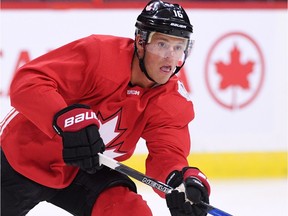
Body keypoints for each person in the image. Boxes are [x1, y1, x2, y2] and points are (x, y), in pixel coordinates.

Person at [0, 0, 211, 215]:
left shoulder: (171, 100)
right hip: (21, 156)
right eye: (162, 44)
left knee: (128, 210)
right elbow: (28, 82)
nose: (171, 57)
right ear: (140, 42)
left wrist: (181, 181)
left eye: (179, 47)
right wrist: (65, 118)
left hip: (85, 169)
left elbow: (168, 154)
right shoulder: (100, 56)